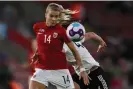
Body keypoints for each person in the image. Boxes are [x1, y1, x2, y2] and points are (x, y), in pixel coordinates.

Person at [29, 3, 89, 89]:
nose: (53, 19)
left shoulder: (61, 31)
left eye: (56, 17)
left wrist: (82, 69)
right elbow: (43, 43)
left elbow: (74, 51)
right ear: (46, 14)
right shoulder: (37, 27)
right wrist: (37, 53)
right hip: (42, 69)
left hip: (59, 70)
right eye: (51, 16)